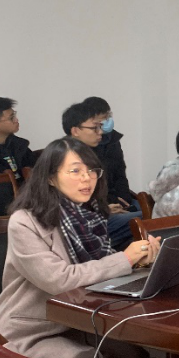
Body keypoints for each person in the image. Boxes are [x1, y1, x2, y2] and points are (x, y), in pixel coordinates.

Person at [0, 137, 160, 358]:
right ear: (50, 177)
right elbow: (58, 279)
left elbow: (97, 270)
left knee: (135, 353)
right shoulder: (25, 221)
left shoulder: (88, 215)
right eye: (75, 171)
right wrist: (125, 259)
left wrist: (141, 261)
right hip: (34, 327)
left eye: (92, 171)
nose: (86, 179)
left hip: (80, 319)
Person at [63, 101, 138, 248]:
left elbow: (117, 176)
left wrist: (107, 207)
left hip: (102, 210)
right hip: (84, 224)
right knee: (146, 220)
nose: (101, 132)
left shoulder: (88, 152)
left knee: (148, 214)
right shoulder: (65, 157)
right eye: (94, 128)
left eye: (100, 126)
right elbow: (68, 206)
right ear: (75, 131)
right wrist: (103, 210)